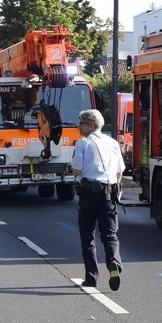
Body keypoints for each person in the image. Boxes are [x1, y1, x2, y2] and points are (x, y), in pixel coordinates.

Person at [71, 109, 125, 291]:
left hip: (89, 193)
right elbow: (119, 172)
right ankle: (114, 263)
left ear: (91, 125)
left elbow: (77, 171)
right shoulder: (113, 143)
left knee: (87, 236)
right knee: (110, 234)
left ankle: (91, 278)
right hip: (109, 193)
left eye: (82, 123)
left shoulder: (83, 143)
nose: (79, 127)